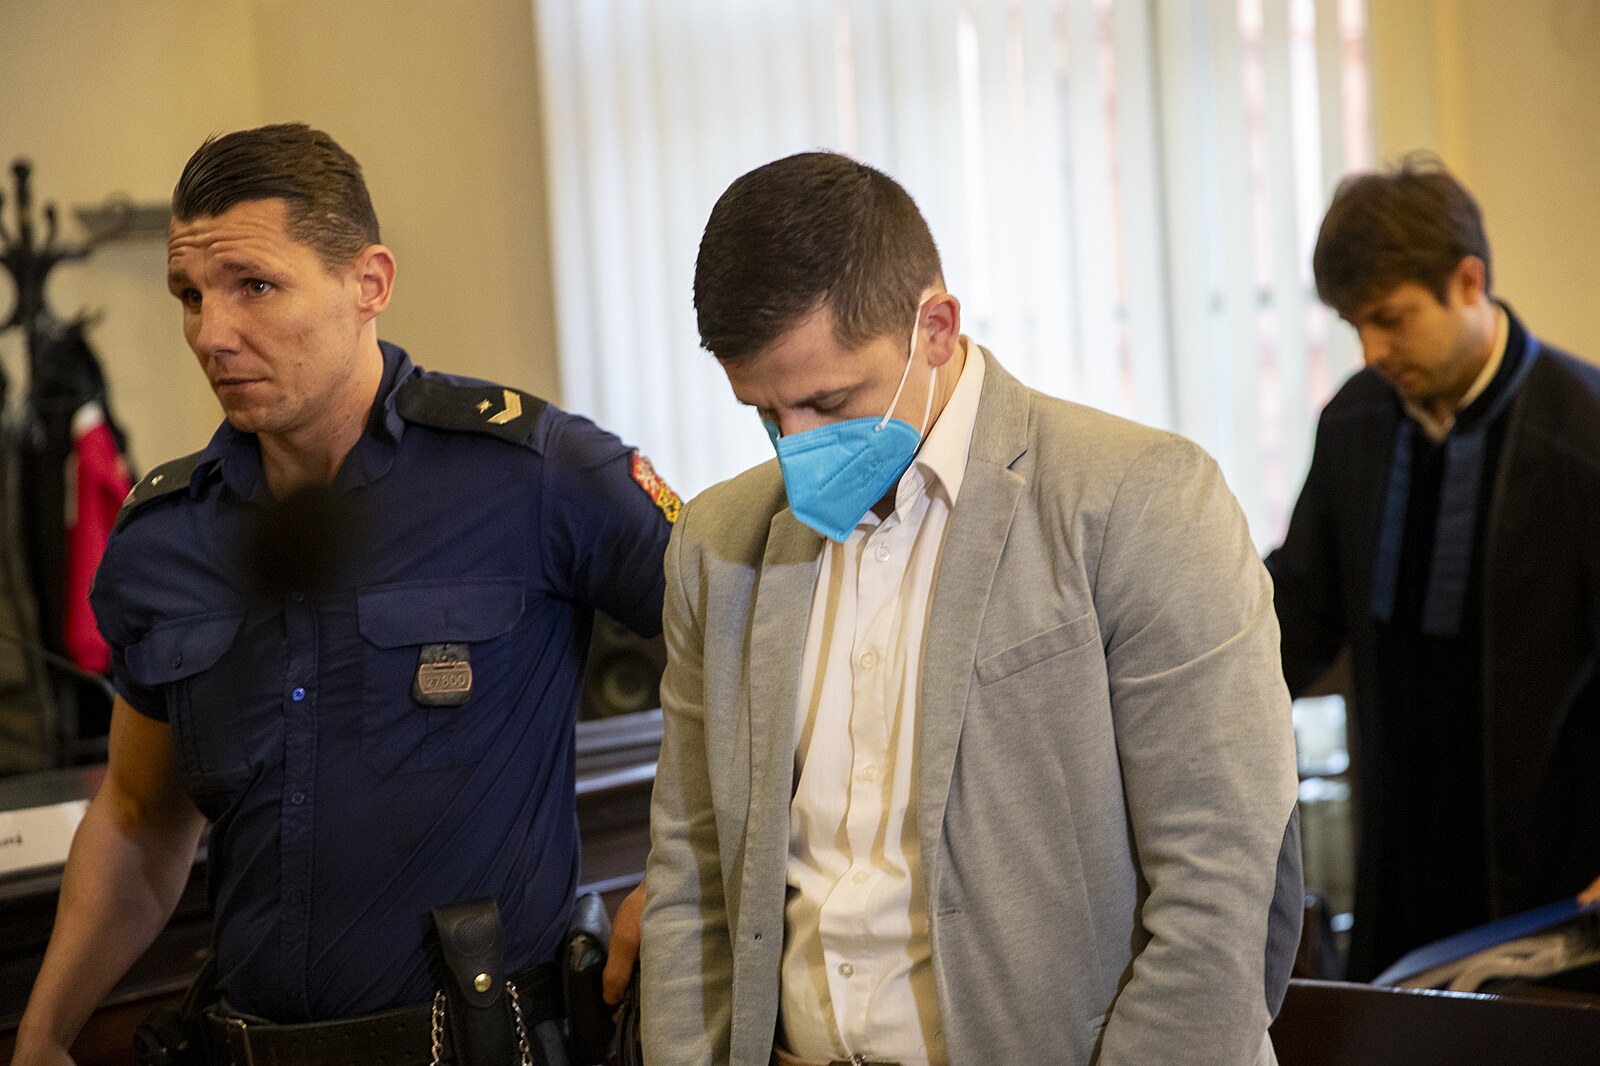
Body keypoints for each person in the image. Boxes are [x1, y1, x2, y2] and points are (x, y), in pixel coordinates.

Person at [13, 124, 671, 1065]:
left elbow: (749, 649)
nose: (211, 333)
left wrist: (689, 878)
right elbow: (138, 816)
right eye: (190, 295)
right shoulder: (163, 535)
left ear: (370, 283)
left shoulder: (533, 474)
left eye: (254, 286)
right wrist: (43, 1033)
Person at [641, 151, 1302, 1066]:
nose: (796, 446)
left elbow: (1222, 888)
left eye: (830, 402)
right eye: (766, 413)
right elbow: (690, 875)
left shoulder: (1139, 500)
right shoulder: (719, 544)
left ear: (936, 329)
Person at [1267, 155, 1600, 981]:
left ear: (1468, 281)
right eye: (1355, 325)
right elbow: (1296, 613)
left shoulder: (1584, 432)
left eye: (1391, 319)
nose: (1372, 350)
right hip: (1397, 874)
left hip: (1554, 885)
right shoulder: (1354, 421)